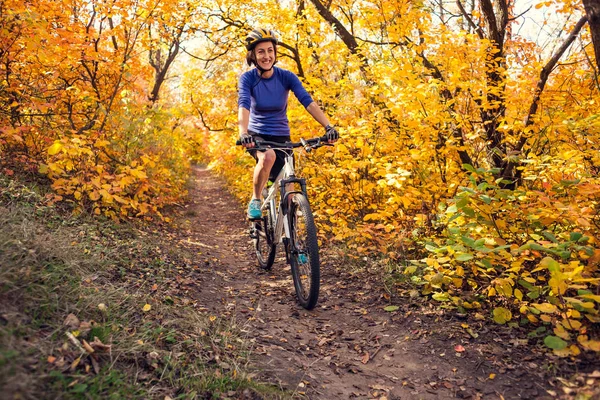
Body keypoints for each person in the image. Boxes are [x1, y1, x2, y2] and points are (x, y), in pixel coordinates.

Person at [238, 28, 339, 219]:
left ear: (275, 53)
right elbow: (243, 104)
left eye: (270, 50)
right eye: (261, 51)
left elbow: (307, 101)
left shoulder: (286, 77)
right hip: (257, 135)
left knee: (290, 196)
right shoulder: (248, 78)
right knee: (267, 157)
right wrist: (244, 133)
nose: (266, 56)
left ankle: (295, 243)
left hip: (282, 136)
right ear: (253, 55)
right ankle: (256, 199)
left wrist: (328, 126)